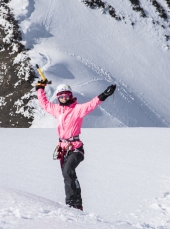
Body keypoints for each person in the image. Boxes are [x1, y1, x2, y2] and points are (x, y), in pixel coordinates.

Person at [35, 80, 116, 210]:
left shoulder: (77, 109)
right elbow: (44, 104)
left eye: (66, 95)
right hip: (62, 149)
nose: (63, 98)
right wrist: (40, 88)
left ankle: (71, 202)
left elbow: (91, 104)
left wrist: (104, 95)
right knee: (68, 175)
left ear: (71, 95)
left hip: (76, 148)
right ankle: (76, 204)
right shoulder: (57, 110)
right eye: (61, 96)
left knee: (68, 171)